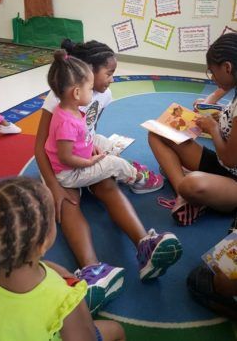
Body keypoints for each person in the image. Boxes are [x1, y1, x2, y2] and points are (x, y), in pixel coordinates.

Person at [35, 40, 182, 297]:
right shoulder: (60, 96)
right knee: (68, 201)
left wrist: (92, 149)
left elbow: (89, 129)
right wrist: (54, 187)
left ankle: (145, 245)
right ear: (87, 73)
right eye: (109, 73)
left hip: (81, 152)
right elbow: (40, 147)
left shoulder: (102, 94)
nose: (112, 79)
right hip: (58, 163)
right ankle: (91, 270)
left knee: (106, 183)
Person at [0, 176, 125, 341]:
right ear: (43, 244)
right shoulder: (63, 299)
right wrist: (77, 301)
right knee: (116, 330)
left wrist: (51, 268)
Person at [148, 33, 237, 226]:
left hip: (234, 180)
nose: (212, 78)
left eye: (212, 72)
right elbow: (223, 91)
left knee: (191, 184)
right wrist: (217, 113)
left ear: (228, 67)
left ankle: (190, 194)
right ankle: (189, 196)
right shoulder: (234, 85)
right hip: (224, 166)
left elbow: (231, 159)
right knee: (157, 133)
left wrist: (213, 128)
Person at [46, 50, 163, 194]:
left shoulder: (70, 110)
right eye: (89, 89)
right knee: (113, 164)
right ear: (76, 93)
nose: (91, 92)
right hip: (70, 174)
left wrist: (89, 146)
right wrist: (89, 162)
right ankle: (138, 179)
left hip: (77, 162)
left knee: (102, 141)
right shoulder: (67, 123)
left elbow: (78, 139)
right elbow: (65, 157)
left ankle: (125, 168)